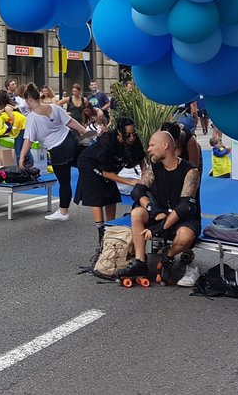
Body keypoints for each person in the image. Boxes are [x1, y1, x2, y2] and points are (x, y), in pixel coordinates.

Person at [120, 131, 202, 287]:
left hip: (182, 218)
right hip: (160, 214)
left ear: (165, 146)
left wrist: (159, 228)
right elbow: (137, 191)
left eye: (152, 145)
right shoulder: (154, 168)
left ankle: (168, 257)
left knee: (185, 235)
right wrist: (151, 208)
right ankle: (140, 262)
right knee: (137, 212)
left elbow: (185, 206)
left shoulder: (191, 172)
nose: (149, 149)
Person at [19, 83, 95, 222]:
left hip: (58, 150)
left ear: (30, 99)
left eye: (26, 100)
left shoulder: (32, 117)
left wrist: (22, 156)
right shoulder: (54, 107)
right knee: (87, 165)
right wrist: (84, 131)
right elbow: (70, 122)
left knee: (64, 182)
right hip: (70, 139)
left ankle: (63, 212)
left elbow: (28, 139)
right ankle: (103, 179)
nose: (26, 103)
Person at [74, 117, 142, 249]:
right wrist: (130, 182)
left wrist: (144, 174)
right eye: (128, 135)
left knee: (111, 194)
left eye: (133, 134)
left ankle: (111, 226)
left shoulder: (133, 140)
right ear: (119, 133)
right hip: (89, 163)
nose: (132, 137)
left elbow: (140, 157)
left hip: (107, 167)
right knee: (97, 195)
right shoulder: (108, 142)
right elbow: (106, 173)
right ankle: (101, 231)